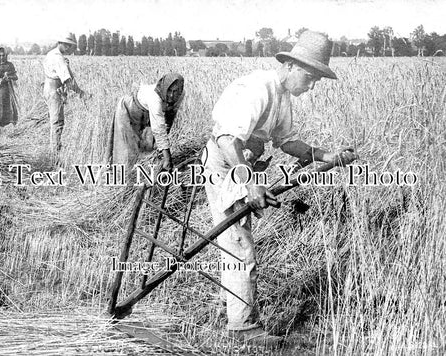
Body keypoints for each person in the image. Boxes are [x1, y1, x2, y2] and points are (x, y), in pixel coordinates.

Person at [202, 31, 356, 345]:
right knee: (239, 244)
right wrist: (250, 184)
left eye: (316, 80)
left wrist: (326, 156)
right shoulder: (259, 88)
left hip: (241, 165)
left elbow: (289, 142)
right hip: (225, 165)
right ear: (288, 65)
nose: (311, 85)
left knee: (234, 239)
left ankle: (226, 307)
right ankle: (243, 329)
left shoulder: (282, 95)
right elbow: (228, 139)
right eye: (309, 77)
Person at [105, 73, 184, 173]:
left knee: (148, 147)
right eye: (169, 91)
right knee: (127, 151)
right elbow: (159, 128)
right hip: (129, 110)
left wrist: (162, 148)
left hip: (146, 114)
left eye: (175, 91)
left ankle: (142, 175)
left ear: (180, 90)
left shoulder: (181, 95)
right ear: (164, 88)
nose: (172, 95)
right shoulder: (155, 98)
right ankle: (123, 179)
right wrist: (167, 158)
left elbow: (170, 116)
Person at [43, 33, 85, 158]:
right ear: (63, 44)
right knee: (57, 122)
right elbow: (67, 81)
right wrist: (81, 93)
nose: (69, 48)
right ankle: (55, 155)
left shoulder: (51, 54)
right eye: (67, 45)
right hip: (54, 90)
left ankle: (55, 150)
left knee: (55, 121)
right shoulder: (58, 58)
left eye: (70, 46)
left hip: (49, 88)